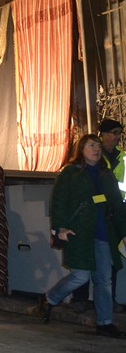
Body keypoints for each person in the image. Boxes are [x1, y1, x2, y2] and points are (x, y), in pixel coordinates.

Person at [37, 134, 126, 338]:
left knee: (104, 281)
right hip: (79, 233)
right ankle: (49, 298)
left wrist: (124, 233)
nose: (96, 148)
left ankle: (105, 323)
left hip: (104, 234)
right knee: (80, 275)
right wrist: (59, 228)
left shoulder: (106, 173)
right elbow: (58, 201)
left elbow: (118, 207)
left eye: (97, 145)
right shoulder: (70, 172)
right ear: (81, 149)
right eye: (91, 145)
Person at [71, 118, 126, 313]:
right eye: (113, 132)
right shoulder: (93, 156)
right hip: (93, 215)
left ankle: (108, 301)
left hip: (115, 213)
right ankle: (79, 299)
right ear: (102, 134)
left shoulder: (123, 157)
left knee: (112, 260)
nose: (117, 137)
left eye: (119, 132)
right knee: (86, 259)